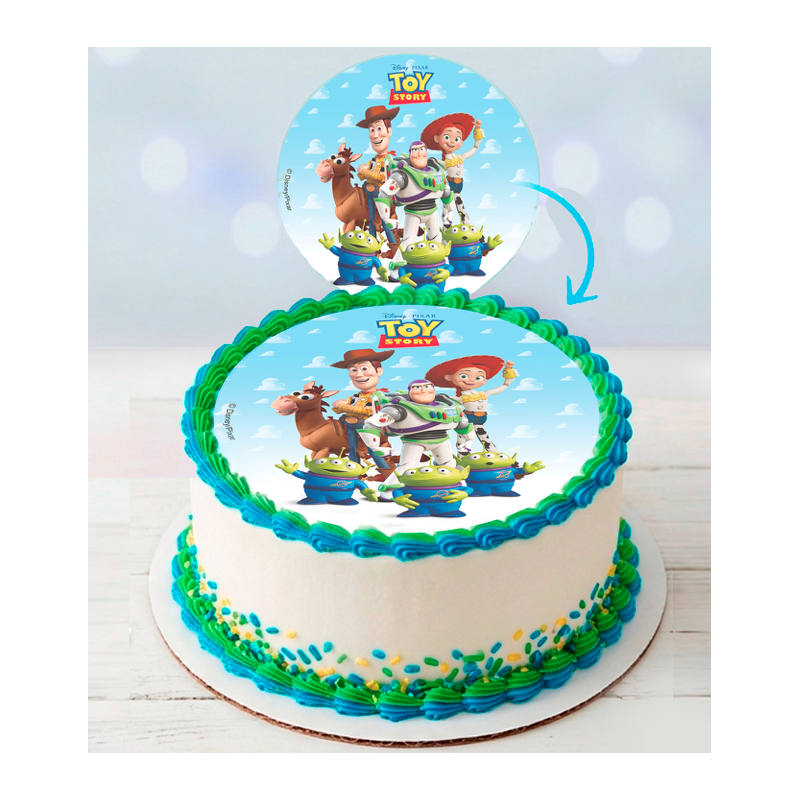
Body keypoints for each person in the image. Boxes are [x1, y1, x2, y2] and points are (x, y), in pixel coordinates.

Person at [425, 355, 518, 452]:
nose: (472, 380)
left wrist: (508, 370)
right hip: (467, 418)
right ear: (448, 377)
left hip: (481, 417)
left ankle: (494, 452)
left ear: (485, 381)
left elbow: (505, 385)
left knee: (483, 436)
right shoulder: (461, 397)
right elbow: (443, 399)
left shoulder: (483, 394)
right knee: (463, 436)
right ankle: (462, 453)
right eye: (463, 376)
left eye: (479, 377)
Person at [376, 141, 456, 247]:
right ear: (410, 154)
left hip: (432, 211)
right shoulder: (402, 175)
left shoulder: (436, 172)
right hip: (413, 213)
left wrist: (451, 211)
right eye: (415, 150)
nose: (419, 153)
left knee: (436, 240)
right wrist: (386, 218)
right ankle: (400, 258)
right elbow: (383, 193)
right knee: (409, 242)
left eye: (422, 149)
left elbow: (446, 192)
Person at [330, 348, 394, 468]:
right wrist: (339, 406)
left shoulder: (379, 397)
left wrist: (342, 405)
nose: (358, 374)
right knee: (352, 449)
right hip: (350, 425)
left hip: (368, 426)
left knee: (373, 450)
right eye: (353, 370)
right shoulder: (355, 396)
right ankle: (354, 469)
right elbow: (337, 409)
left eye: (364, 368)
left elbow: (369, 411)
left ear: (379, 371)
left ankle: (387, 471)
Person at [420, 113, 484, 225]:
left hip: (459, 184)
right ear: (436, 139)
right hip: (449, 184)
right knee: (447, 206)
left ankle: (466, 223)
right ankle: (447, 226)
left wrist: (477, 129)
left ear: (461, 142)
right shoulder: (444, 162)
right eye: (447, 137)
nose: (452, 142)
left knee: (460, 205)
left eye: (457, 138)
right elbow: (431, 164)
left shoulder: (460, 157)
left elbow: (475, 147)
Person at [355, 105, 400, 241]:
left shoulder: (389, 160)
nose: (375, 135)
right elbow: (361, 176)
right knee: (371, 221)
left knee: (386, 222)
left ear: (389, 131)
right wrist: (362, 172)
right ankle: (372, 244)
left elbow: (382, 177)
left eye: (379, 128)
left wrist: (364, 171)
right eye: (371, 130)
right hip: (369, 193)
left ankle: (394, 246)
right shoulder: (373, 160)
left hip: (383, 194)